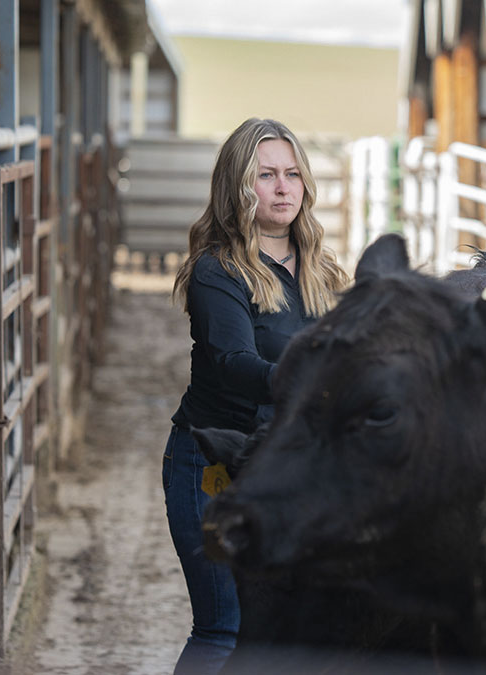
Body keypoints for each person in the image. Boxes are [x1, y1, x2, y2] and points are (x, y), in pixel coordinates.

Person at [164, 118, 349, 674]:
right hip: (214, 464)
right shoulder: (217, 270)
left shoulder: (320, 269)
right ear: (237, 186)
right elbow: (234, 364)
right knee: (225, 628)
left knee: (284, 630)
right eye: (266, 175)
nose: (283, 187)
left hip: (289, 466)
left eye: (292, 174)